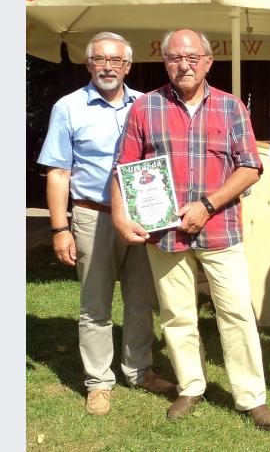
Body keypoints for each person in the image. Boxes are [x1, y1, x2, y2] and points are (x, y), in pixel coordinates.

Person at [110, 29, 270, 431]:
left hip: (220, 229)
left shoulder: (230, 107)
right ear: (164, 61)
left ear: (207, 62)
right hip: (164, 234)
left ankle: (250, 396)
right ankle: (191, 385)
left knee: (236, 312)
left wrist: (207, 205)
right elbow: (124, 167)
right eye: (173, 58)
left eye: (191, 57)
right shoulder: (145, 108)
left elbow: (251, 167)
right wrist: (119, 216)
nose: (182, 65)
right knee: (176, 314)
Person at [37, 31, 175, 416]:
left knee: (140, 299)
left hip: (142, 217)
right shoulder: (69, 107)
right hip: (91, 216)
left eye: (116, 61)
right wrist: (59, 227)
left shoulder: (148, 105)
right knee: (95, 305)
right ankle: (99, 381)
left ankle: (139, 370)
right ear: (88, 64)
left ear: (128, 66)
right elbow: (58, 172)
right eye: (100, 59)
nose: (108, 67)